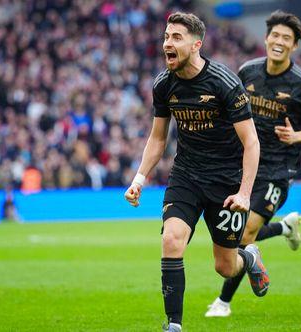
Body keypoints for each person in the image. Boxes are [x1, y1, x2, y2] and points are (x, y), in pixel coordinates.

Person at [123, 12, 267, 332]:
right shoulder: (163, 84)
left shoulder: (225, 83)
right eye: (165, 37)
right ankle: (174, 325)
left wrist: (244, 192)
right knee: (172, 241)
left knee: (225, 267)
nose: (167, 44)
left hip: (226, 182)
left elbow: (252, 142)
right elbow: (158, 138)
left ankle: (250, 259)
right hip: (186, 175)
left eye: (176, 38)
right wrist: (139, 179)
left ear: (196, 44)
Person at [205, 10, 301, 317]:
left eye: (286, 38)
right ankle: (285, 227)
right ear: (265, 38)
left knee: (244, 233)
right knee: (232, 232)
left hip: (278, 169)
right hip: (244, 164)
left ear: (295, 45)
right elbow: (230, 108)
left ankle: (223, 302)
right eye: (275, 35)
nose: (279, 41)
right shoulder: (247, 71)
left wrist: (297, 136)